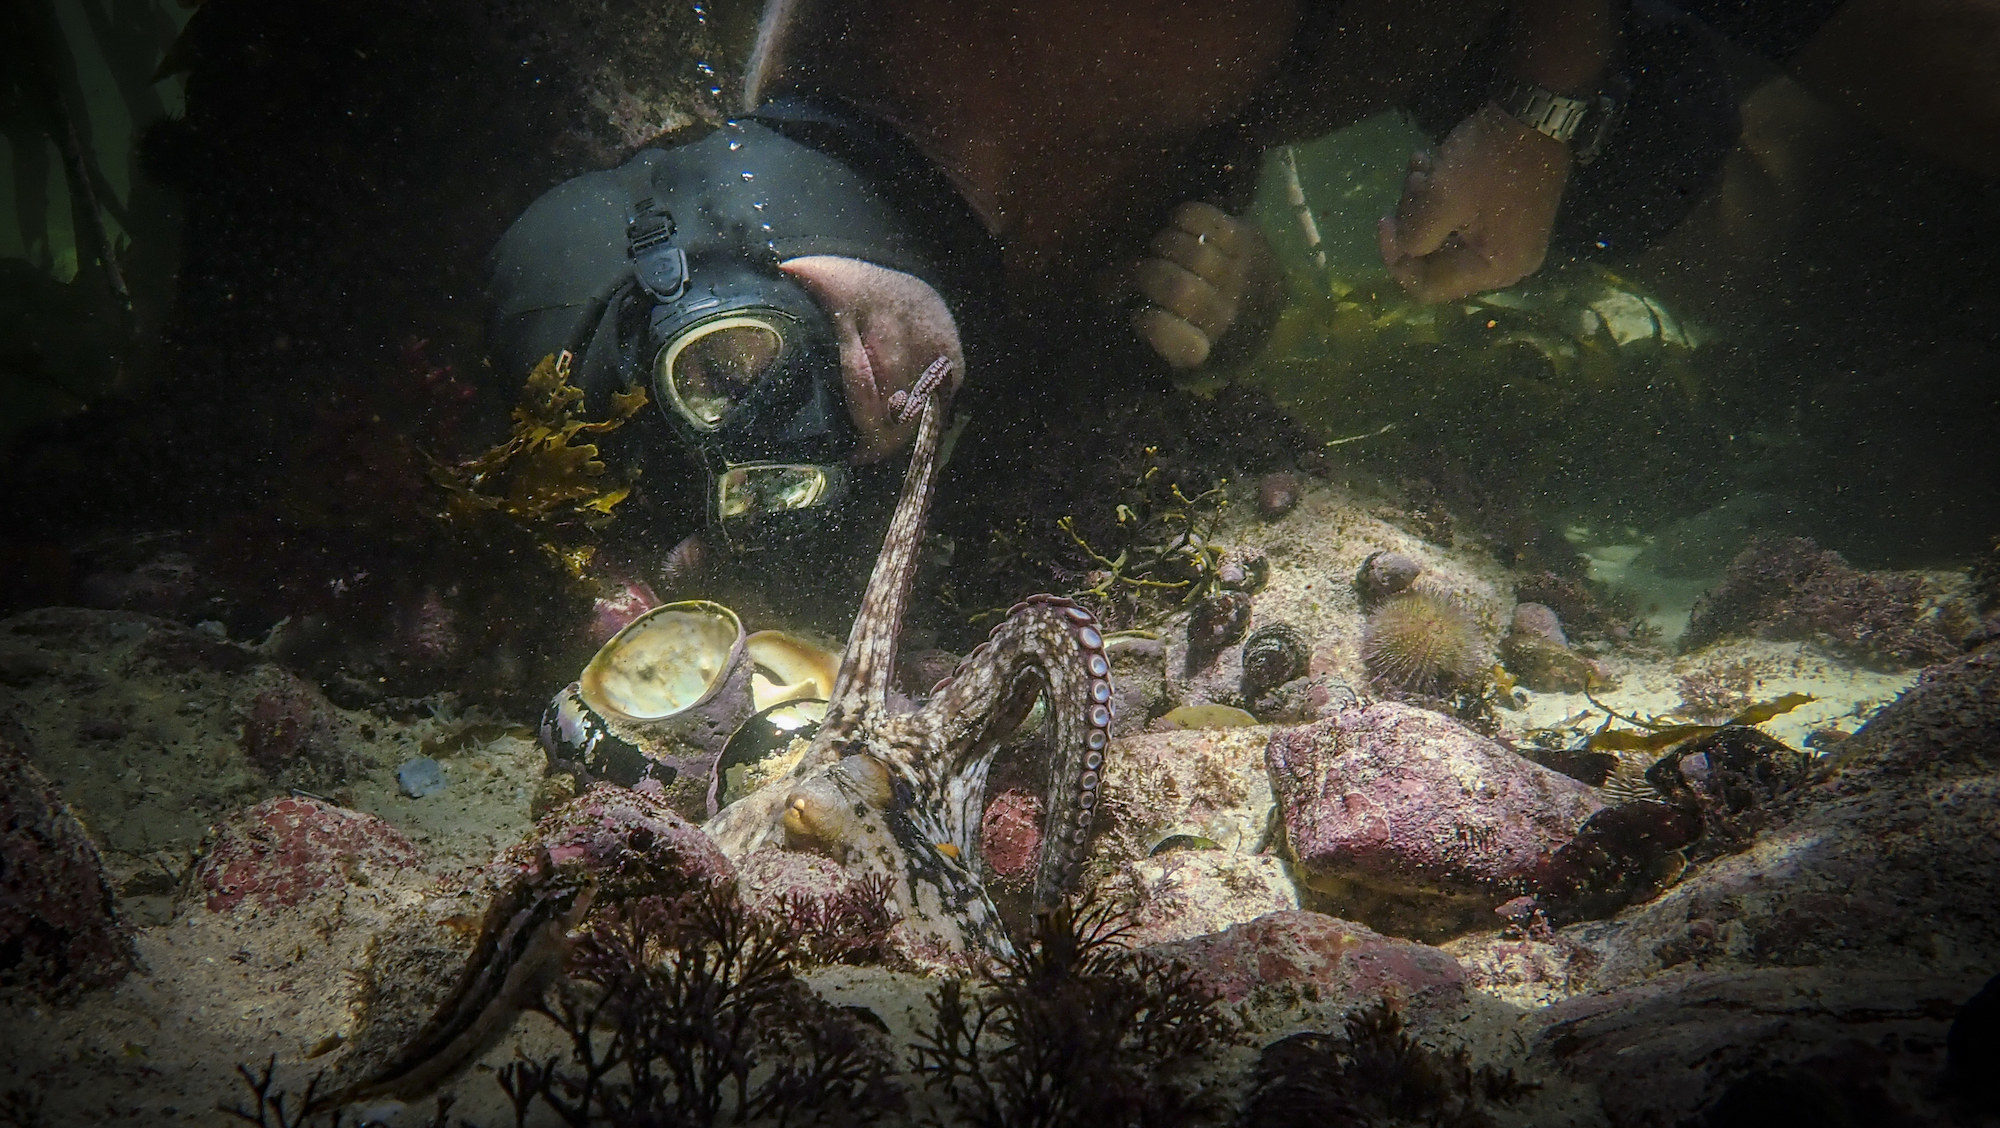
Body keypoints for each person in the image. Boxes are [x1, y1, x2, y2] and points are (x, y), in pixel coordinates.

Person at [487, 0, 1659, 551]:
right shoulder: (944, 357)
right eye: (755, 470)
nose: (828, 417)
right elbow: (1187, 317)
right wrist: (1234, 304)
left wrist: (1541, 101)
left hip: (1525, 67)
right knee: (1670, 171)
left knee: (1672, 163)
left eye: (722, 366)